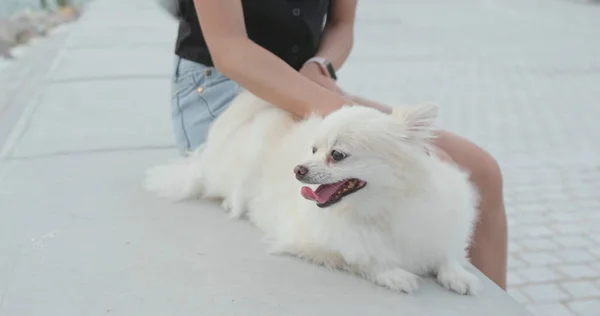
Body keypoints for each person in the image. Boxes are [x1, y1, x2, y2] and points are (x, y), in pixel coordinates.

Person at [169, 0, 507, 290]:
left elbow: (342, 24)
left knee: (481, 170)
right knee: (395, 162)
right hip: (225, 88)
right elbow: (231, 49)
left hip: (306, 82)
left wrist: (321, 65)